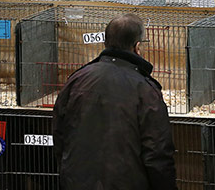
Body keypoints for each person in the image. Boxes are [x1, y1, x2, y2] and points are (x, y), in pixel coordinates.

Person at [53, 14, 177, 190]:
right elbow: (157, 153)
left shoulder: (77, 79)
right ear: (137, 47)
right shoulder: (145, 89)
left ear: (106, 43)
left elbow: (59, 135)